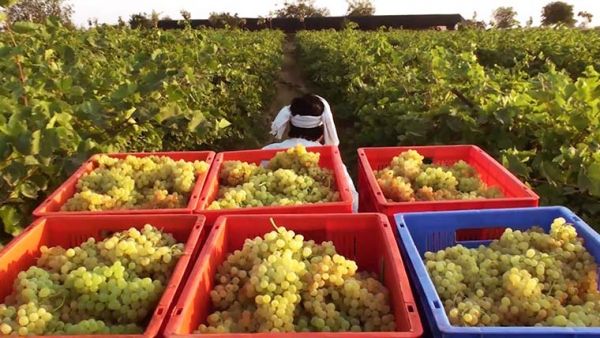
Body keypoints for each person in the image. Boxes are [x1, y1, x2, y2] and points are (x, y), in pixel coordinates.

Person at [263, 94, 359, 212]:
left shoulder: (268, 153)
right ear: (322, 130)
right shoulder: (332, 161)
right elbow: (353, 204)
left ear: (290, 125)